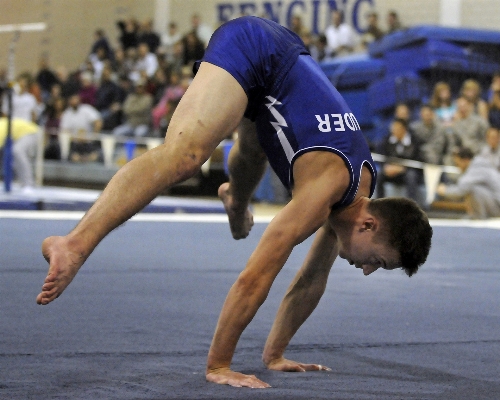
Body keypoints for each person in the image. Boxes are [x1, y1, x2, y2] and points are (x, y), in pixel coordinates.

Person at [36, 16, 432, 389]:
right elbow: (256, 274)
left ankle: (236, 197)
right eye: (376, 262)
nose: (365, 271)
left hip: (282, 81)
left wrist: (274, 355)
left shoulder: (354, 196)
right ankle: (73, 243)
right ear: (369, 225)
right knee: (187, 157)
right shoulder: (327, 188)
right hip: (256, 47)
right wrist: (219, 365)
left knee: (255, 148)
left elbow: (312, 279)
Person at [437, 147, 500, 218]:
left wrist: (445, 190)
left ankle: (478, 218)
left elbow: (461, 190)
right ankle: (476, 216)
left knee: (473, 190)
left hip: (497, 206)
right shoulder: (479, 164)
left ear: (465, 160)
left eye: (457, 164)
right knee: (472, 189)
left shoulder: (477, 168)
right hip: (495, 203)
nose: (458, 167)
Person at [0, 117, 40, 191]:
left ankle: (29, 184)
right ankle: (24, 183)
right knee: (14, 155)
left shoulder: (0, 130)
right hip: (21, 135)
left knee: (17, 151)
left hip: (31, 132)